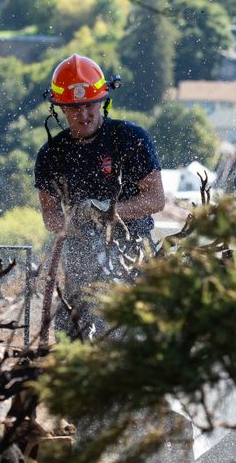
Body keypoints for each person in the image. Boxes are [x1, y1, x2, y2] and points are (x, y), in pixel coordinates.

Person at [34, 54, 165, 338]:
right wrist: (74, 222)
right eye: (74, 108)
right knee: (72, 331)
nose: (84, 115)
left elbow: (155, 198)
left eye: (90, 105)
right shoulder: (52, 155)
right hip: (81, 253)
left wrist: (110, 211)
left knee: (132, 329)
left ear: (103, 102)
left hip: (132, 248)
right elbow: (50, 216)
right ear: (61, 110)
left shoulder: (130, 139)